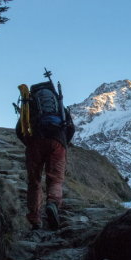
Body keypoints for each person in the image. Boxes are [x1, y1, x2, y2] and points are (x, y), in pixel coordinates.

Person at [16, 77, 75, 230]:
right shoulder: (59, 105)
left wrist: (29, 144)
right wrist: (64, 143)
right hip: (57, 142)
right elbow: (71, 128)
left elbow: (19, 130)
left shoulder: (29, 104)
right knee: (55, 179)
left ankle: (35, 218)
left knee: (34, 181)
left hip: (35, 142)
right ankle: (52, 204)